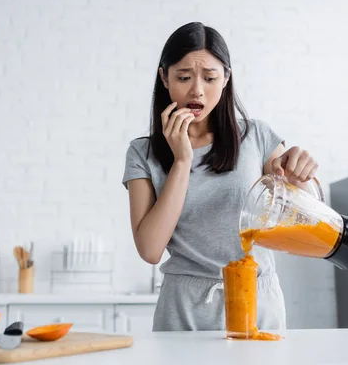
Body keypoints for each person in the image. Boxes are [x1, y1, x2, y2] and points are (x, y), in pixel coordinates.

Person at [121, 22, 319, 332]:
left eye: (210, 77)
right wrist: (182, 160)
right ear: (164, 77)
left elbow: (302, 219)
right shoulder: (142, 153)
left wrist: (300, 176)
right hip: (183, 308)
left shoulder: (257, 137)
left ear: (226, 78)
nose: (197, 90)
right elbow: (150, 249)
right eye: (184, 77)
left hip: (257, 299)